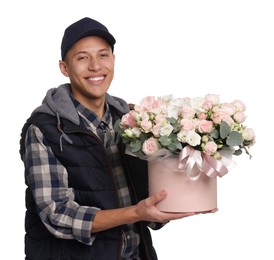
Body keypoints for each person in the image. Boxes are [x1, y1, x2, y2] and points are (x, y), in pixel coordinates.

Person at [19, 17, 216, 260]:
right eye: (82, 58)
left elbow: (147, 198)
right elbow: (58, 215)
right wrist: (136, 213)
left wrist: (185, 192)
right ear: (64, 68)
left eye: (103, 55)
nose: (95, 66)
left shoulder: (132, 120)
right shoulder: (45, 129)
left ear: (113, 60)